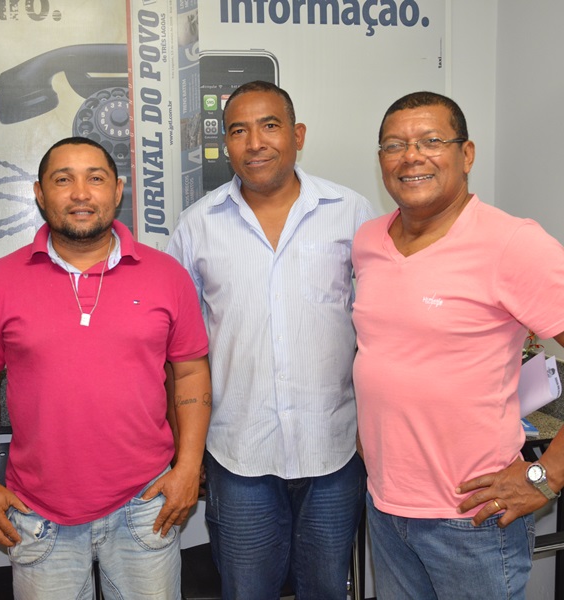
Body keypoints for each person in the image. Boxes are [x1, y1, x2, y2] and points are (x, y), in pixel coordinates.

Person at [0, 136, 211, 599]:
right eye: (63, 179)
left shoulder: (166, 275)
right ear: (39, 192)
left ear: (117, 191)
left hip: (146, 504)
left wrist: (189, 467)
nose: (80, 193)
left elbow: (191, 372)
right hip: (37, 514)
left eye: (94, 178)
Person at [352, 90, 564, 599]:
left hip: (470, 519)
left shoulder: (512, 243)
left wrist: (546, 474)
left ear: (466, 154)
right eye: (394, 145)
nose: (411, 156)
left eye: (431, 141)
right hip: (385, 508)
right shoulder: (368, 241)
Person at [167, 80, 373, 599]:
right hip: (238, 455)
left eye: (270, 126)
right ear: (226, 144)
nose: (254, 142)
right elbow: (180, 353)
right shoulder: (195, 228)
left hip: (334, 449)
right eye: (238, 130)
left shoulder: (351, 212)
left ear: (297, 135)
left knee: (327, 589)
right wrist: (186, 449)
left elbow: (379, 328)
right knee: (246, 589)